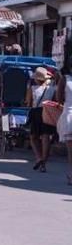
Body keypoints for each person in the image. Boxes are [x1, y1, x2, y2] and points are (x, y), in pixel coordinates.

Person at [26, 66, 56, 172]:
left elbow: (28, 103)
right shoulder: (52, 89)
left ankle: (38, 157)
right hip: (48, 112)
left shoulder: (32, 89)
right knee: (46, 137)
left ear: (36, 79)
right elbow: (55, 102)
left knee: (33, 137)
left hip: (36, 112)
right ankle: (44, 162)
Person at [57, 45, 72, 185]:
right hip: (68, 114)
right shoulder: (64, 79)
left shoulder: (64, 79)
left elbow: (59, 99)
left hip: (69, 114)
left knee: (70, 150)